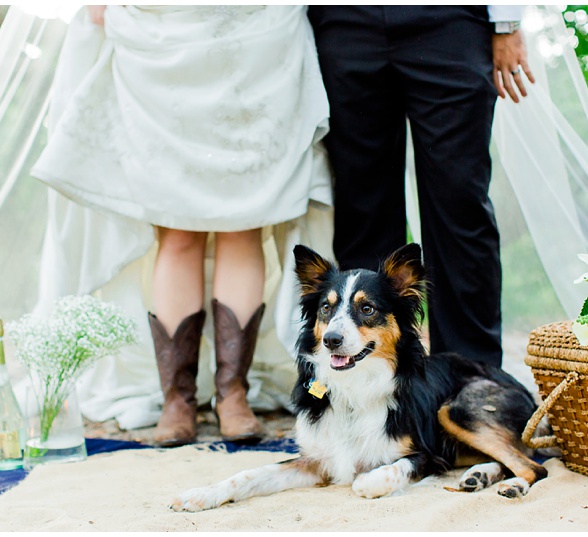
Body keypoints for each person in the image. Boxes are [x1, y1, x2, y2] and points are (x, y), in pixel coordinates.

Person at [31, 5, 331, 446]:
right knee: (176, 228)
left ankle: (232, 393)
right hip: (163, 29)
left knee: (244, 220)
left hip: (255, 35)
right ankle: (179, 398)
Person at [307, 6, 534, 368]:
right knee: (361, 204)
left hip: (450, 20)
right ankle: (368, 379)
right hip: (344, 21)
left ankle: (470, 376)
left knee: (460, 202)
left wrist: (506, 22)